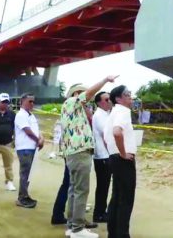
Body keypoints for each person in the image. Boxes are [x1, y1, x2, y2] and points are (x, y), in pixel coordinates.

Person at [61, 77, 116, 238]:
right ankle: (78, 229)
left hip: (74, 153)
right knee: (81, 190)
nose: (89, 97)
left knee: (74, 189)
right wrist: (105, 80)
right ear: (77, 94)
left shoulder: (73, 108)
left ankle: (73, 225)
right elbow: (90, 93)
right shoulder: (72, 102)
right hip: (79, 152)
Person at [104, 85, 137, 238]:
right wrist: (123, 154)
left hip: (113, 157)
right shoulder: (123, 111)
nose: (130, 96)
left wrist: (115, 153)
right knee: (126, 199)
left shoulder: (112, 113)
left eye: (130, 93)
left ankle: (114, 233)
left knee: (117, 197)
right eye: (126, 94)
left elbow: (106, 139)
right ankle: (122, 234)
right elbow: (117, 133)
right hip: (123, 159)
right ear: (118, 99)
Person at [14, 93, 43, 208]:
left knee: (28, 174)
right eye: (29, 101)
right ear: (22, 101)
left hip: (31, 147)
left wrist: (41, 138)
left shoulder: (30, 115)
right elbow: (27, 131)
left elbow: (36, 130)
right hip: (25, 148)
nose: (32, 104)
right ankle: (22, 197)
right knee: (25, 174)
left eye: (33, 101)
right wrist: (38, 140)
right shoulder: (21, 115)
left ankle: (25, 195)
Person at [91, 91, 113, 223]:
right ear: (99, 102)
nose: (109, 101)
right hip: (103, 155)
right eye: (106, 99)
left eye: (110, 99)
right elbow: (107, 137)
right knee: (102, 186)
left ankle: (101, 211)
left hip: (106, 154)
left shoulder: (107, 114)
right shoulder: (99, 115)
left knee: (105, 186)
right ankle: (99, 213)